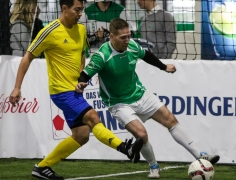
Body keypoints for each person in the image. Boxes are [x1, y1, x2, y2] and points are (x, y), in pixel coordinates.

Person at [8, 0, 143, 179]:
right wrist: (17, 88)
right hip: (60, 91)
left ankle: (42, 167)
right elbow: (27, 57)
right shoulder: (49, 31)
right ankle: (125, 148)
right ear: (64, 9)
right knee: (93, 117)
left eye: (81, 10)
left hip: (75, 90)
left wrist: (81, 76)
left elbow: (81, 52)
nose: (80, 14)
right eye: (77, 10)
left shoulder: (80, 30)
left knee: (81, 135)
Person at [76, 18, 220, 179]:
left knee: (170, 119)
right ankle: (154, 167)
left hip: (139, 93)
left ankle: (201, 155)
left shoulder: (132, 46)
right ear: (112, 37)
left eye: (128, 36)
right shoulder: (102, 56)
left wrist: (164, 67)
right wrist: (81, 83)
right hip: (118, 103)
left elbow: (146, 55)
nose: (127, 40)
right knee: (142, 135)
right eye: (123, 37)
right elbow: (85, 74)